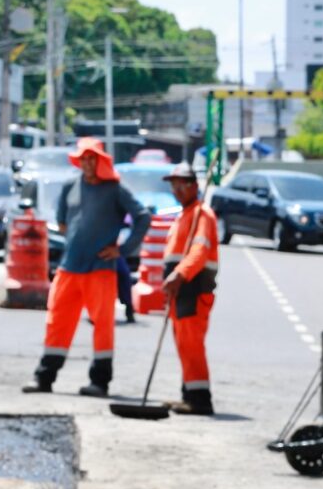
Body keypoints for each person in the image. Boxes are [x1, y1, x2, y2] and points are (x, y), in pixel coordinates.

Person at [23, 138, 150, 396]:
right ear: (79, 161)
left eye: (92, 158)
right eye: (84, 158)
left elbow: (143, 216)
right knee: (57, 321)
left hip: (101, 268)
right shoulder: (71, 185)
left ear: (100, 160)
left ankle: (100, 382)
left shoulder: (114, 189)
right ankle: (44, 378)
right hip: (69, 267)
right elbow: (62, 221)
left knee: (102, 325)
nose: (88, 163)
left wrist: (122, 250)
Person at [161, 163, 218, 415]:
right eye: (173, 185)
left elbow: (199, 251)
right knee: (184, 343)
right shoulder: (185, 216)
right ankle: (189, 394)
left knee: (192, 344)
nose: (177, 189)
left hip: (193, 289)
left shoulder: (201, 216)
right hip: (181, 291)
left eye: (182, 184)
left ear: (194, 186)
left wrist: (179, 274)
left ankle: (199, 400)